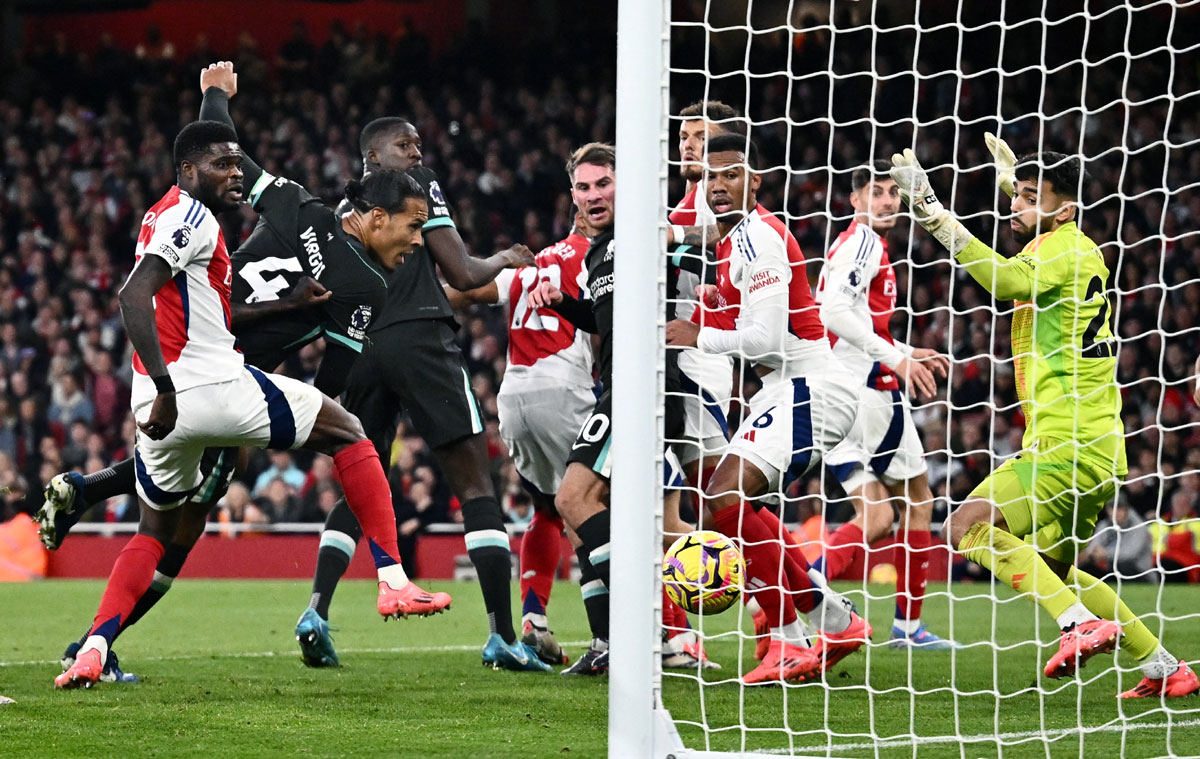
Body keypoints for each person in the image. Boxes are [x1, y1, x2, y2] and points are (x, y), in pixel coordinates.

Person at [55, 115, 447, 690]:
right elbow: (132, 294)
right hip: (210, 386)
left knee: (156, 531)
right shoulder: (200, 220)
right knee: (350, 433)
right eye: (222, 164)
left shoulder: (179, 211)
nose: (236, 172)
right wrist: (180, 392)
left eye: (239, 163)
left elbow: (198, 304)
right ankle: (392, 578)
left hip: (159, 406)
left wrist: (218, 94)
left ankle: (93, 645)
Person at [890, 135, 1197, 698]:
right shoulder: (1075, 247)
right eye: (1016, 196)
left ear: (1065, 209)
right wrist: (1017, 188)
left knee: (966, 526)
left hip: (1065, 444)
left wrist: (934, 214)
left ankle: (1078, 625)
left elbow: (1007, 279)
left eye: (1030, 198)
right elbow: (1036, 224)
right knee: (1057, 573)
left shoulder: (1058, 248)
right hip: (1098, 449)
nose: (1015, 206)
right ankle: (1165, 667)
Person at [297, 113, 542, 672]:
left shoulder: (342, 213)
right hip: (422, 343)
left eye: (417, 144)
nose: (416, 151)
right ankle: (504, 636)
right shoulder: (417, 189)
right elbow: (461, 272)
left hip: (359, 346)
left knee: (364, 485)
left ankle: (316, 611)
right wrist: (505, 258)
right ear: (374, 156)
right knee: (476, 483)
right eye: (404, 143)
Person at [665, 133, 870, 685]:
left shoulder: (759, 237)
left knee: (722, 499)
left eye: (731, 175)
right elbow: (751, 321)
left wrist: (697, 331)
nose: (720, 186)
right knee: (724, 503)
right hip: (788, 389)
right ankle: (829, 621)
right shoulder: (732, 243)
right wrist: (718, 308)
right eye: (711, 177)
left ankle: (791, 637)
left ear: (755, 181)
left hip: (808, 387)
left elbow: (765, 337)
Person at [528, 142, 693, 676]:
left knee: (572, 498)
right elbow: (606, 322)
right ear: (573, 195)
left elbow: (704, 235)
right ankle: (607, 643)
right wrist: (564, 305)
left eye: (604, 184)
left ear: (627, 184)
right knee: (583, 518)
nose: (594, 195)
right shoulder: (600, 251)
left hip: (647, 386)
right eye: (584, 187)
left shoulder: (648, 229)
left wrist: (681, 237)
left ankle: (641, 624)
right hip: (621, 386)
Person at [813, 160, 958, 650]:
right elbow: (832, 311)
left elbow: (848, 321)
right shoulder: (865, 242)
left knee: (875, 516)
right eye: (875, 193)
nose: (888, 201)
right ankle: (907, 627)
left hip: (835, 388)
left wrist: (906, 350)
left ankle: (802, 590)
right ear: (855, 201)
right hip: (869, 393)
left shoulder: (848, 244)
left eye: (893, 193)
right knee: (918, 500)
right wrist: (897, 359)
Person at [446, 214, 594, 666]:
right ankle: (627, 633)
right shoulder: (601, 258)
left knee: (548, 509)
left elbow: (464, 291)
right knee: (594, 509)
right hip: (564, 388)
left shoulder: (533, 266)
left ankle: (534, 620)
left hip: (515, 396)